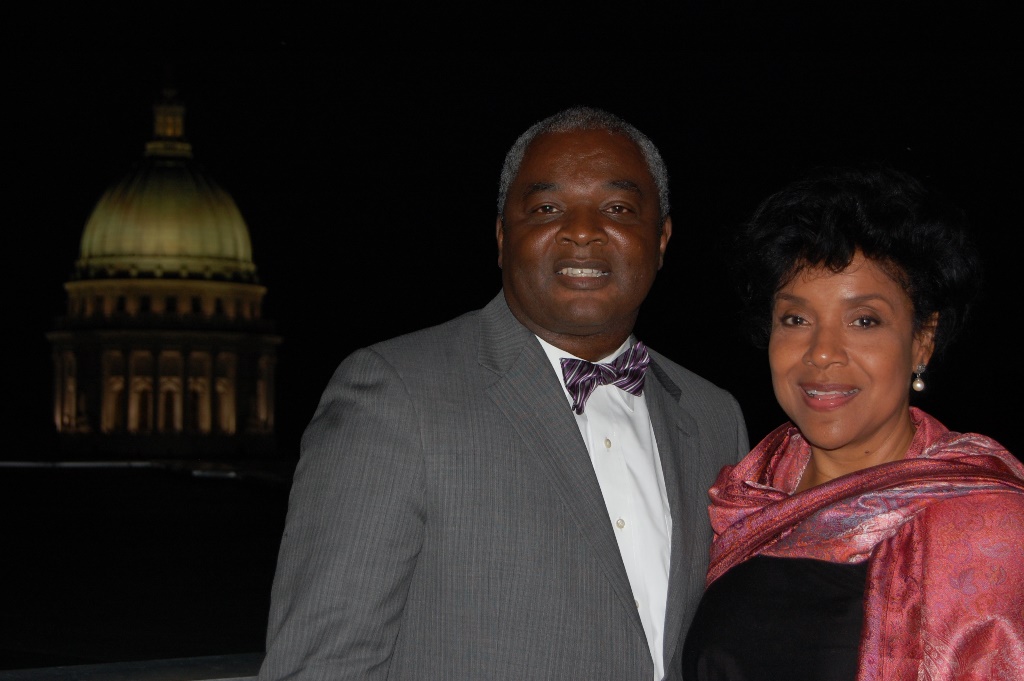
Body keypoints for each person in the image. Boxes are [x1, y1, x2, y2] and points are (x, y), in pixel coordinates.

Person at [257, 106, 749, 681]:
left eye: (617, 208)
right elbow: (321, 666)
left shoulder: (716, 417)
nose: (583, 230)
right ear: (501, 237)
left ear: (661, 238)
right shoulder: (396, 395)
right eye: (547, 208)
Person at [679, 166, 1024, 680]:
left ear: (922, 340)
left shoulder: (991, 527)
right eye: (795, 319)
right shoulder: (742, 498)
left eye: (864, 321)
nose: (821, 353)